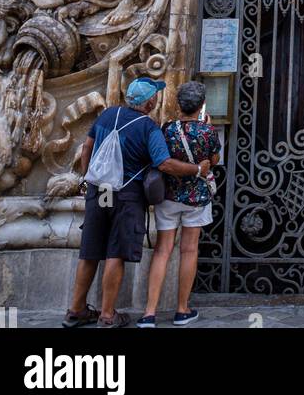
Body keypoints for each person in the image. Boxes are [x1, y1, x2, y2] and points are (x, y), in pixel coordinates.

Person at [63, 77, 211, 330]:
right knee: (115, 251)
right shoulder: (149, 127)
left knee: (90, 250)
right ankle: (108, 315)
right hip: (126, 195)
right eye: (155, 96)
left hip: (99, 192)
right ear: (150, 102)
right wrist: (196, 169)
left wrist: (87, 180)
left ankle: (76, 310)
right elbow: (164, 164)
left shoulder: (108, 114)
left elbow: (87, 147)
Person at [138, 80, 221, 328]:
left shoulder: (167, 129)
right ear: (202, 105)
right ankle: (182, 309)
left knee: (163, 250)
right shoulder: (207, 132)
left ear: (179, 104)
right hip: (196, 198)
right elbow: (214, 159)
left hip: (170, 196)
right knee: (189, 249)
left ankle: (149, 312)